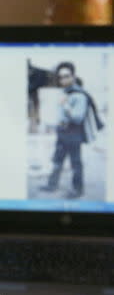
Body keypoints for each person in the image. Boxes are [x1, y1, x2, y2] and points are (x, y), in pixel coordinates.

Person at [40, 62, 102, 199]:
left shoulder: (80, 95)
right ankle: (52, 185)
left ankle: (77, 190)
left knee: (75, 163)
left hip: (74, 133)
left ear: (73, 76)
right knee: (57, 160)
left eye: (67, 76)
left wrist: (66, 104)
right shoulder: (64, 92)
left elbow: (78, 117)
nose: (63, 79)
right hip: (62, 131)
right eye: (61, 77)